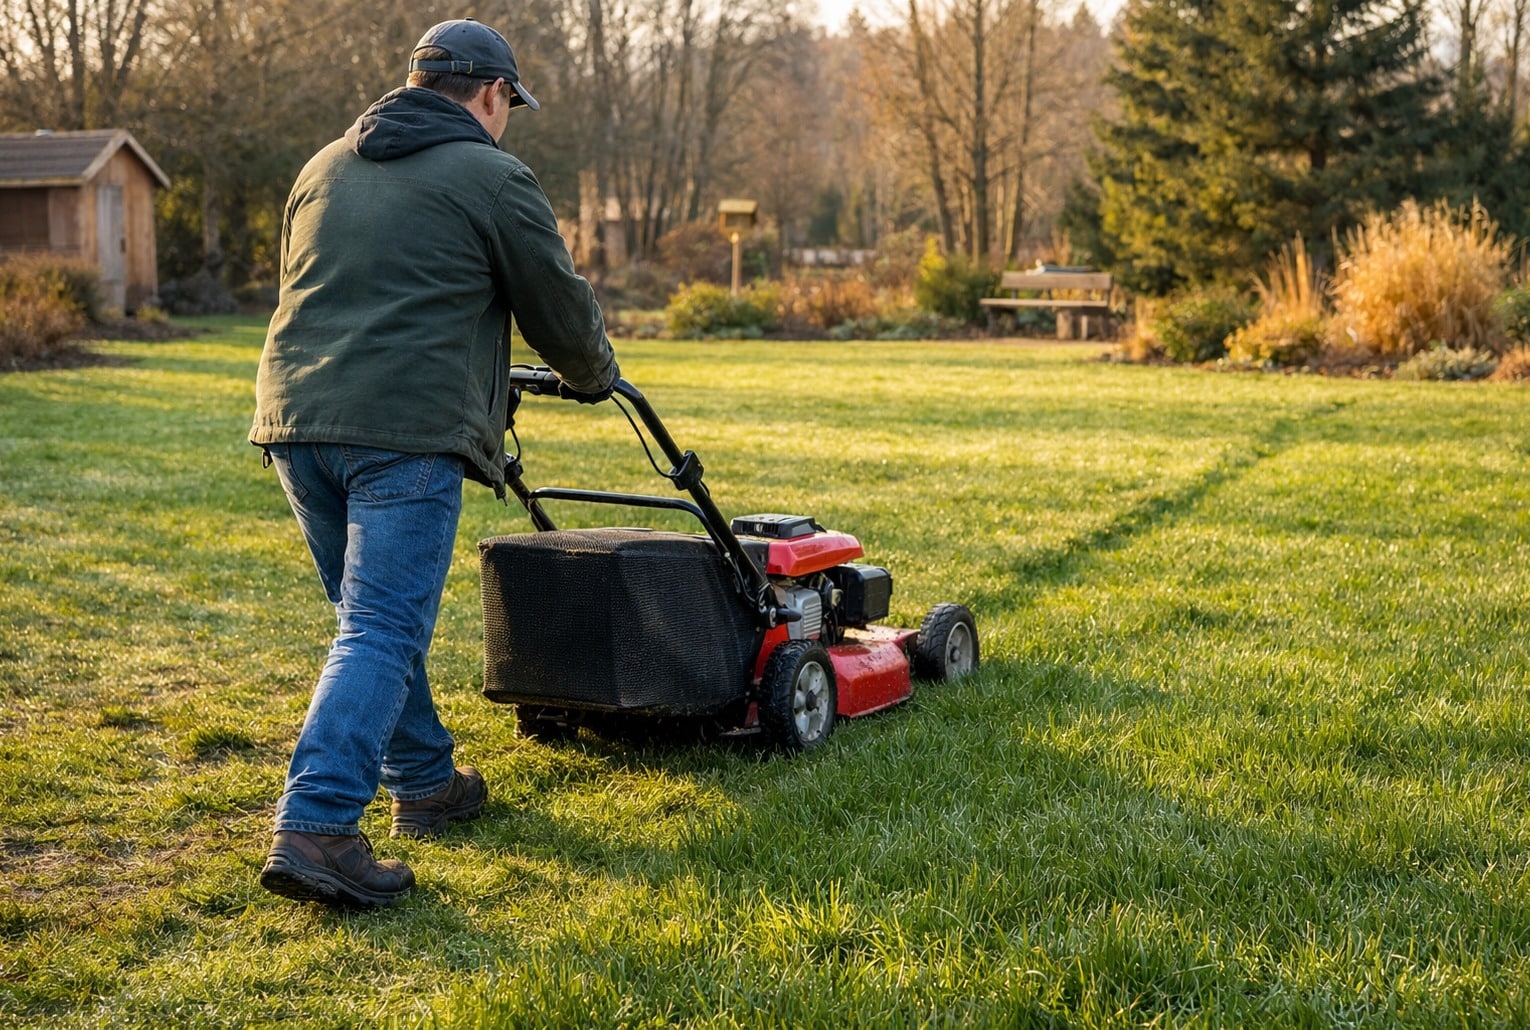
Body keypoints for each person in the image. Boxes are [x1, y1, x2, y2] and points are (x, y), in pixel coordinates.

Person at [249, 18, 620, 908]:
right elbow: (560, 312)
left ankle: (425, 783)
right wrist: (596, 374)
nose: (509, 120)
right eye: (510, 106)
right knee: (381, 628)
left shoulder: (323, 166)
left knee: (369, 620)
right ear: (493, 95)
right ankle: (318, 826)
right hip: (402, 432)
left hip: (294, 420)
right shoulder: (493, 176)